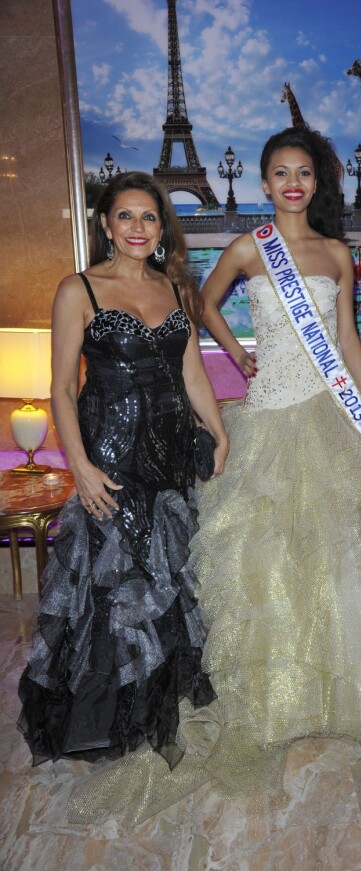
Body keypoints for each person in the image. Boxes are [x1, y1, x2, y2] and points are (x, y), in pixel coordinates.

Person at [67, 129, 361, 827]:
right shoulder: (251, 247)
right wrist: (239, 353)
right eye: (280, 172)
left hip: (329, 418)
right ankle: (279, 693)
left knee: (343, 557)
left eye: (303, 172)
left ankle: (345, 694)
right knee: (271, 562)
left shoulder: (338, 253)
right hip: (270, 418)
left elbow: (346, 342)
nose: (292, 182)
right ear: (263, 180)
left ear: (317, 182)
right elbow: (201, 309)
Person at [18, 171, 229, 768]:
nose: (138, 227)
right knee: (112, 585)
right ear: (106, 225)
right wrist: (79, 466)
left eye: (150, 217)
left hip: (169, 453)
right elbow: (60, 388)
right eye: (126, 216)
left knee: (167, 576)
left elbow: (192, 374)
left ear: (163, 227)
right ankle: (105, 718)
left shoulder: (174, 286)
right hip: (109, 455)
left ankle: (155, 700)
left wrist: (220, 430)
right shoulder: (78, 289)